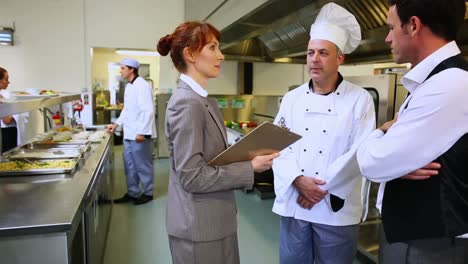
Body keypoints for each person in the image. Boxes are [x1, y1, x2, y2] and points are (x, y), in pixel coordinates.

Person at [157, 21, 278, 264]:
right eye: (212, 48)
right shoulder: (187, 103)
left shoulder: (203, 101)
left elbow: (209, 159)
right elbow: (191, 176)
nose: (221, 55)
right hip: (199, 227)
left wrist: (247, 154)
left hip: (215, 221)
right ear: (190, 54)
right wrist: (250, 168)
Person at [356, 0, 468, 263]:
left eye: (391, 27)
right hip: (417, 236)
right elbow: (389, 160)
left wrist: (380, 134)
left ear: (414, 25)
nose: (387, 38)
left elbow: (373, 163)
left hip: (431, 244)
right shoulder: (433, 81)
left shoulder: (449, 84)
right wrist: (396, 161)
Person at [271, 3, 376, 264]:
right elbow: (276, 146)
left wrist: (319, 190)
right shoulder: (292, 98)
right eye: (310, 53)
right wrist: (298, 180)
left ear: (340, 58)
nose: (314, 59)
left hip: (334, 208)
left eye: (323, 53)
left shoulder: (359, 99)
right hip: (296, 204)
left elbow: (359, 152)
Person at [107, 58, 157, 205]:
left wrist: (142, 132)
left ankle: (148, 193)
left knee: (143, 165)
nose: (120, 71)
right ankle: (133, 193)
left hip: (140, 135)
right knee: (129, 165)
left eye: (123, 68)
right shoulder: (129, 86)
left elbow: (148, 110)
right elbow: (127, 110)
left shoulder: (142, 85)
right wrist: (116, 124)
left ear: (131, 69)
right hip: (129, 134)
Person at [0, 67, 18, 153]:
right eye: (6, 79)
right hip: (5, 133)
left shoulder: (2, 96)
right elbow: (7, 120)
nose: (8, 82)